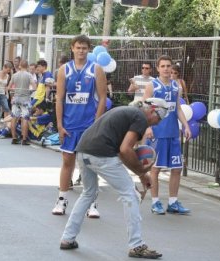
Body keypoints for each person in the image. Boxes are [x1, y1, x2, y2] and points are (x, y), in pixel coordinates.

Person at [59, 98, 168, 259]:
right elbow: (125, 150)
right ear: (153, 110)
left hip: (83, 151)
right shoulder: (140, 118)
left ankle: (67, 238)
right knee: (129, 194)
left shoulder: (126, 112)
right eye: (160, 118)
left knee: (88, 193)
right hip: (100, 154)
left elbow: (120, 150)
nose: (158, 123)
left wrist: (140, 173)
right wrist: (142, 172)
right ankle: (136, 245)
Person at [52, 35, 107, 218]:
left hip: (88, 125)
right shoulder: (64, 70)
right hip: (70, 125)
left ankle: (92, 203)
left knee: (90, 165)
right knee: (67, 162)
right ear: (72, 48)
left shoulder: (96, 69)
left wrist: (96, 124)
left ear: (88, 49)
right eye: (78, 47)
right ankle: (61, 200)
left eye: (84, 48)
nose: (81, 50)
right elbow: (59, 98)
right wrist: (60, 125)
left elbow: (102, 99)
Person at [143, 55, 192, 215]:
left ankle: (173, 202)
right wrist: (147, 127)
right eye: (162, 66)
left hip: (173, 134)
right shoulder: (152, 86)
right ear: (157, 68)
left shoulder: (176, 87)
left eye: (168, 66)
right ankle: (155, 202)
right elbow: (144, 108)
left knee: (176, 168)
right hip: (158, 134)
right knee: (155, 169)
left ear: (172, 68)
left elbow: (178, 108)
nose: (166, 68)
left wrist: (185, 126)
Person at [8, 60, 35, 145]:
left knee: (14, 118)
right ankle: (24, 139)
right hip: (25, 99)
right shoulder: (29, 75)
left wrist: (14, 92)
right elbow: (34, 87)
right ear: (27, 67)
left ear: (19, 66)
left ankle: (14, 138)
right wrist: (29, 92)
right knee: (25, 119)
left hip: (16, 98)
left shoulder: (14, 75)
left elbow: (9, 87)